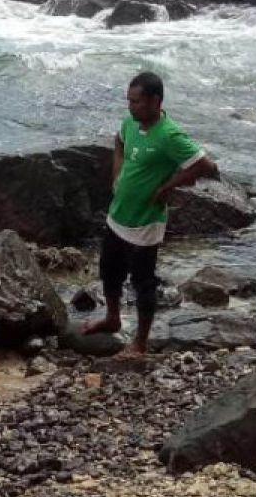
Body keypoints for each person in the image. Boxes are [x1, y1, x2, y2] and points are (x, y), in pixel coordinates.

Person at [83, 72, 219, 356]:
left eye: (136, 102)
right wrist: (117, 172)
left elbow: (205, 166)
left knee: (143, 283)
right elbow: (118, 141)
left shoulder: (169, 134)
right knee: (109, 271)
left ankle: (140, 343)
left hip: (146, 222)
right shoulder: (130, 124)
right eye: (129, 101)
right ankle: (112, 318)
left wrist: (168, 187)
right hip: (118, 214)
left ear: (155, 101)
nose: (131, 107)